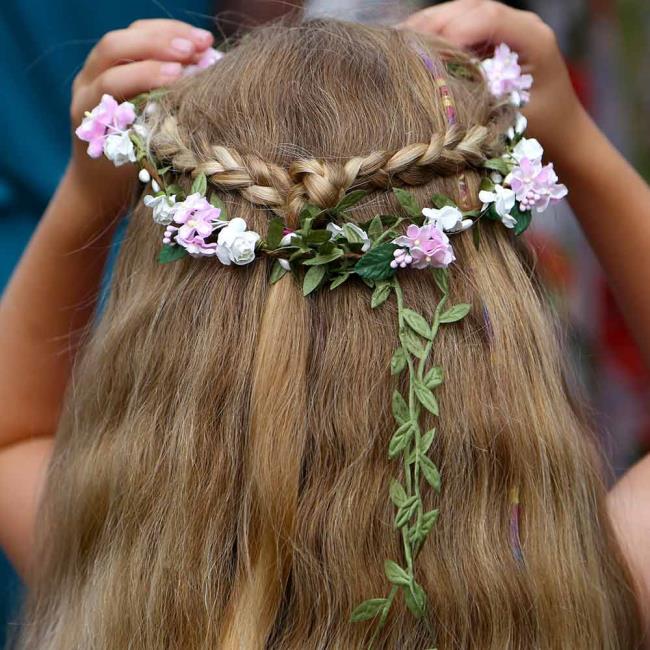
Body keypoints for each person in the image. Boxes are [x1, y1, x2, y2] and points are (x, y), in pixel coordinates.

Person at [0, 4, 649, 650]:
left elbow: (13, 433)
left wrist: (87, 191)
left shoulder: (125, 593)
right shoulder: (584, 603)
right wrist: (575, 141)